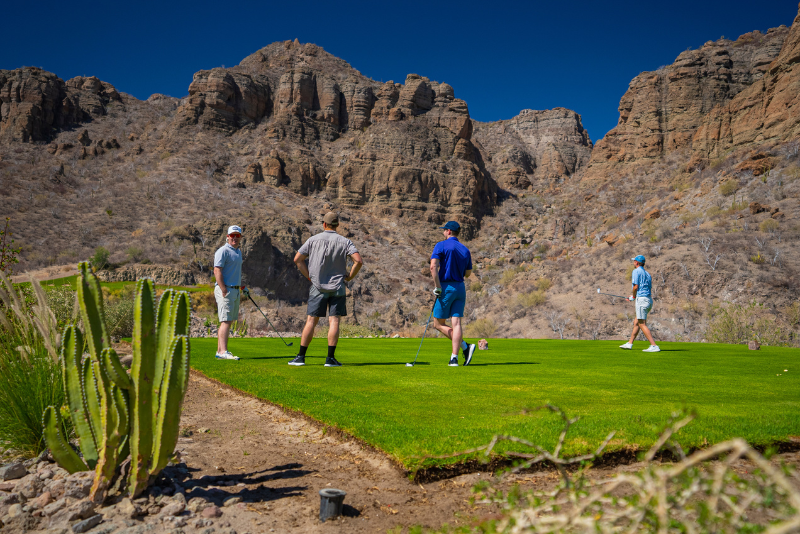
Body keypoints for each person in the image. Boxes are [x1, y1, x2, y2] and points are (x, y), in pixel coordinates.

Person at [290, 212, 363, 367]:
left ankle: (301, 357)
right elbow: (358, 261)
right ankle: (330, 359)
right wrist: (349, 276)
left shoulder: (313, 240)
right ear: (337, 225)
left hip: (317, 286)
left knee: (311, 320)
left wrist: (309, 276)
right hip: (338, 286)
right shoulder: (345, 241)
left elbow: (297, 259)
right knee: (334, 321)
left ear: (324, 224)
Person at [430, 221, 476, 366]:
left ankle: (465, 347)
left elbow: (433, 266)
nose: (443, 232)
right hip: (460, 288)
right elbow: (468, 273)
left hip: (446, 287)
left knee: (438, 323)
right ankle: (454, 358)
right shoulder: (465, 249)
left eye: (444, 230)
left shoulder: (441, 245)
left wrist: (437, 287)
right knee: (456, 323)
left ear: (449, 231)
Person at [214, 225, 247, 360]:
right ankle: (223, 352)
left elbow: (235, 272)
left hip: (235, 289)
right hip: (225, 290)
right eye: (232, 235)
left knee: (229, 320)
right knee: (226, 321)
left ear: (240, 237)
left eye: (237, 236)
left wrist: (242, 286)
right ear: (227, 236)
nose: (235, 238)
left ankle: (219, 351)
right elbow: (217, 270)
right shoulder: (223, 251)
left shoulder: (238, 252)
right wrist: (223, 289)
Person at [620, 254, 660, 352]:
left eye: (634, 261)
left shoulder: (636, 271)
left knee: (642, 323)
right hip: (648, 300)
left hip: (642, 300)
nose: (633, 263)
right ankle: (630, 343)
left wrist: (633, 297)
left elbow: (635, 287)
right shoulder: (647, 273)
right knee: (636, 322)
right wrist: (634, 297)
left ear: (637, 263)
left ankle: (654, 346)